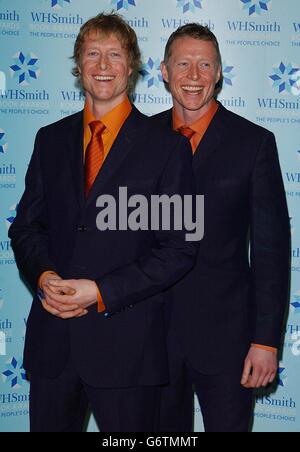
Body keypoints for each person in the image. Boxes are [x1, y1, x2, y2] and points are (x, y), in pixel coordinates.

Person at [9, 13, 197, 432]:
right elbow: (26, 227)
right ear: (79, 65)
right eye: (92, 53)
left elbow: (181, 248)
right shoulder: (49, 139)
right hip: (53, 344)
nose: (103, 65)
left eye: (115, 54)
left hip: (127, 349)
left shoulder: (169, 148)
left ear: (132, 67)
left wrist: (100, 291)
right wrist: (43, 276)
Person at [152, 23, 290, 432]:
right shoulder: (139, 139)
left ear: (218, 74)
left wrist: (265, 341)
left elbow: (270, 251)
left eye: (204, 65)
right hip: (152, 337)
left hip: (229, 340)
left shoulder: (254, 143)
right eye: (183, 64)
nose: (193, 76)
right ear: (163, 71)